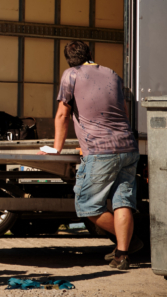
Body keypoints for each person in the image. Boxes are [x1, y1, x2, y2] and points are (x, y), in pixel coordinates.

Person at [42, 40, 142, 269]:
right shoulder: (112, 74)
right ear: (89, 54)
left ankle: (132, 240)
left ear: (69, 59)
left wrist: (56, 147)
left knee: (88, 206)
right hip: (128, 146)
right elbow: (124, 112)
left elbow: (62, 115)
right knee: (122, 201)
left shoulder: (71, 75)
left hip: (100, 151)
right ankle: (122, 253)